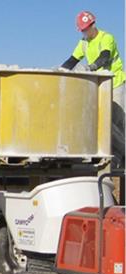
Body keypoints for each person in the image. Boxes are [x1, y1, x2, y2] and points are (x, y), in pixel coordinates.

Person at [61, 11, 125, 168]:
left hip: (116, 84)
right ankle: (118, 158)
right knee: (105, 123)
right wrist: (59, 72)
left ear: (93, 25)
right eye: (83, 30)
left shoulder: (106, 38)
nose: (86, 32)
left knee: (115, 123)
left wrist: (91, 68)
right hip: (101, 88)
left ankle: (121, 156)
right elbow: (72, 60)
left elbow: (105, 57)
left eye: (87, 28)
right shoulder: (83, 43)